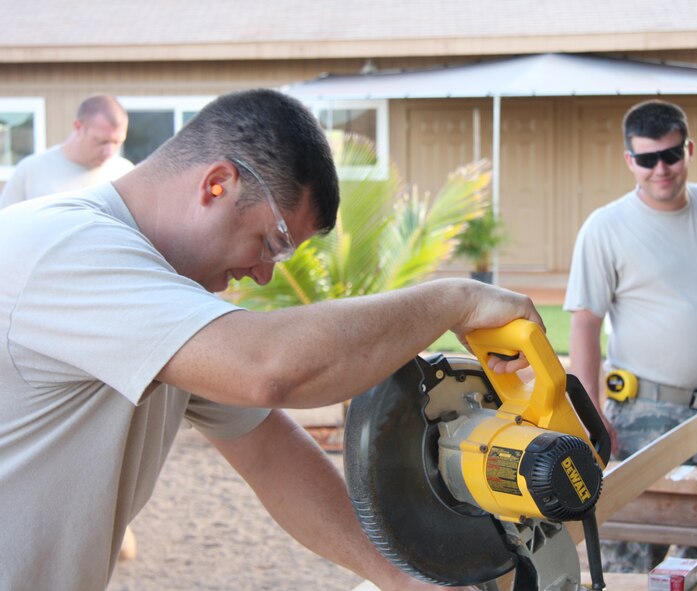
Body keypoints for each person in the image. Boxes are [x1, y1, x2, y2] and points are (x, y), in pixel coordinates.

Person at [0, 88, 542, 591]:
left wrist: (405, 580)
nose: (264, 275)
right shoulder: (60, 247)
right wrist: (455, 300)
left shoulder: (163, 302)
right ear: (218, 184)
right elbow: (270, 369)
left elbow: (270, 456)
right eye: (271, 241)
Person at [564, 100, 697, 591]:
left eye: (671, 155)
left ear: (689, 149)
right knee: (633, 554)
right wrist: (591, 410)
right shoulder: (606, 227)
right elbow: (585, 327)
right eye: (647, 159)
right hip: (644, 412)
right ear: (629, 161)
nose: (660, 169)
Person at [0, 93, 133, 209]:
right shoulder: (31, 171)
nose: (109, 151)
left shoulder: (125, 173)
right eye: (101, 141)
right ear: (78, 126)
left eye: (117, 142)